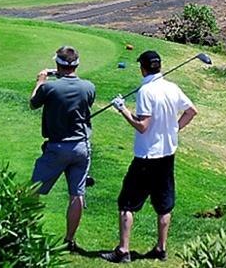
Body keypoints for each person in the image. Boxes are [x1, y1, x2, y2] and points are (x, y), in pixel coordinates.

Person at [101, 51, 199, 264]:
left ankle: (123, 251)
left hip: (147, 157)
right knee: (164, 204)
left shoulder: (145, 91)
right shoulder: (172, 87)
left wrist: (122, 109)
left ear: (143, 68)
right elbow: (191, 111)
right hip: (167, 155)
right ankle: (161, 249)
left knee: (127, 203)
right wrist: (174, 130)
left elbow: (142, 126)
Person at [29, 46, 96, 252]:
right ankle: (69, 240)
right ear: (77, 64)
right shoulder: (89, 87)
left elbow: (33, 103)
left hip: (57, 147)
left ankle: (26, 232)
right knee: (77, 194)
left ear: (57, 65)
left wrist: (40, 81)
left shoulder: (49, 88)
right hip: (81, 147)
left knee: (33, 190)